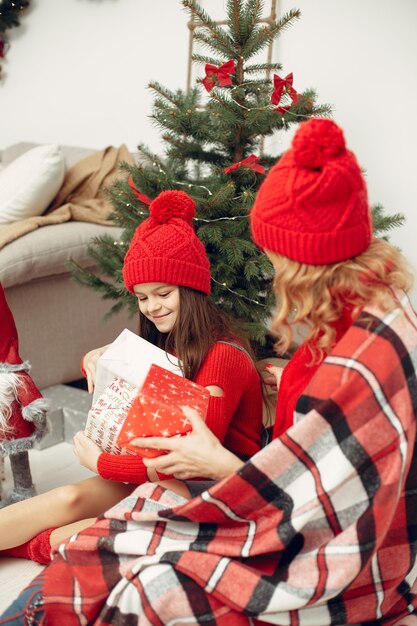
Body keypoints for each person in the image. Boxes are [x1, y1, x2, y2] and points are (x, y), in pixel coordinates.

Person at [2, 117, 417, 625]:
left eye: (276, 258)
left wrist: (205, 461)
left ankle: (44, 569)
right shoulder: (369, 325)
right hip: (215, 482)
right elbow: (329, 451)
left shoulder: (343, 365)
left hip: (271, 526)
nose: (272, 272)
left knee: (115, 547)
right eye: (144, 298)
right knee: (95, 515)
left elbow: (307, 498)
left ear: (305, 263)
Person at [0, 188, 263, 565]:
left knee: (98, 526)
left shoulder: (223, 356)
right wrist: (94, 358)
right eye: (142, 298)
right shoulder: (172, 343)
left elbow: (192, 461)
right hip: (162, 474)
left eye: (163, 293)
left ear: (190, 289)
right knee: (68, 498)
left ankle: (33, 547)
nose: (152, 307)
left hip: (215, 490)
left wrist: (103, 464)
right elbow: (120, 373)